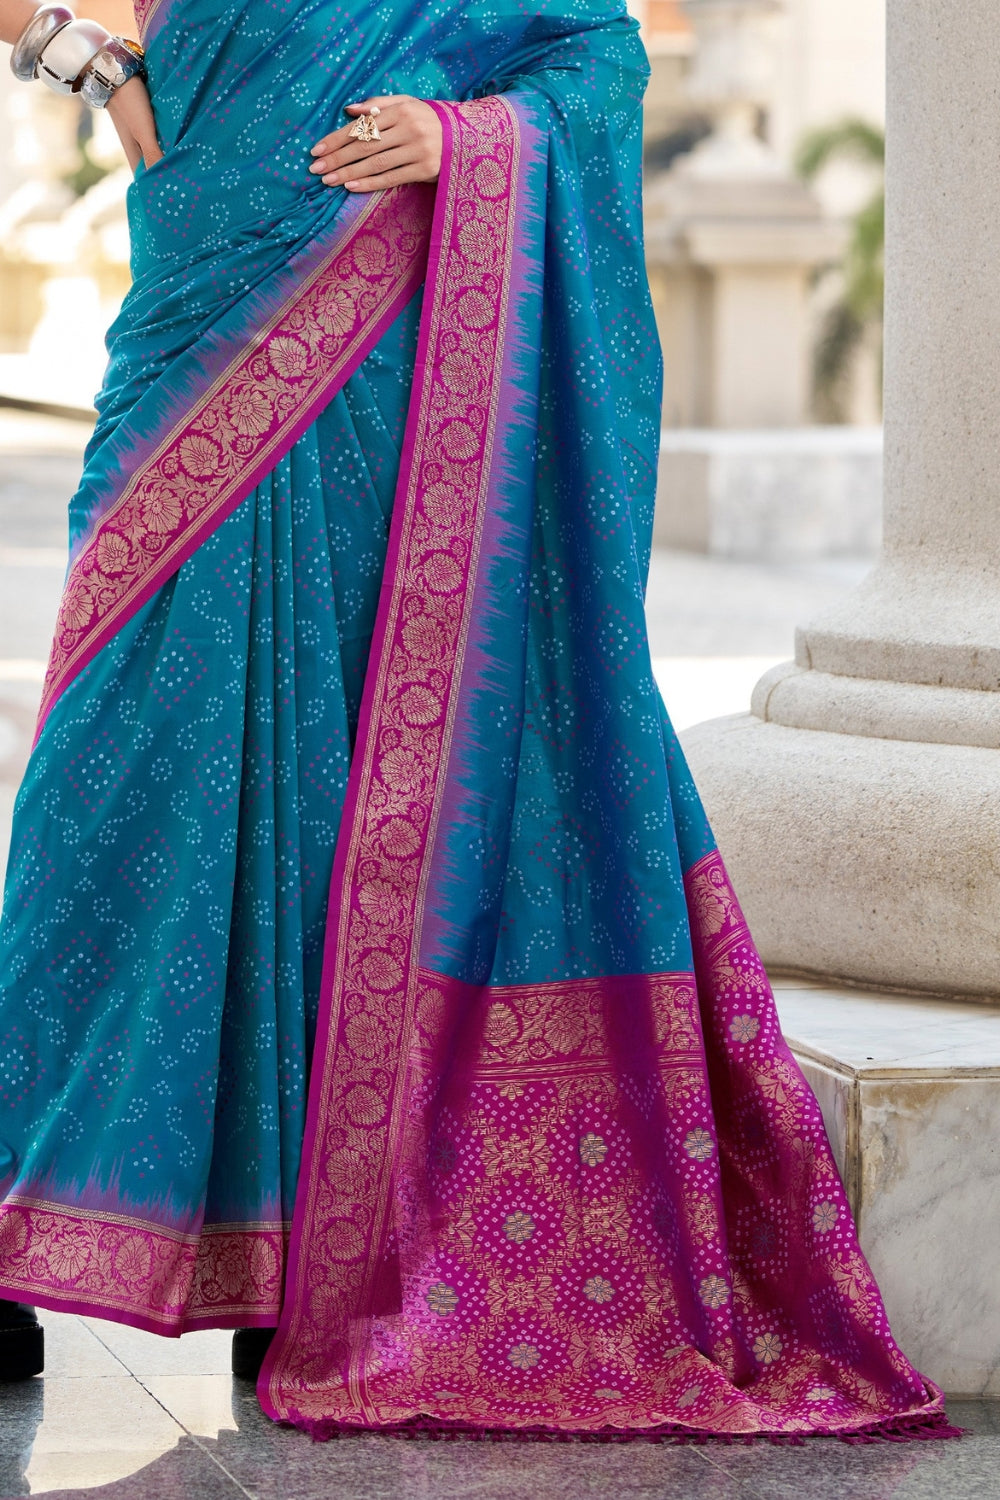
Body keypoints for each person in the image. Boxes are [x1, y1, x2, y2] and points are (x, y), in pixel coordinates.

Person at [0, 0, 955, 1442]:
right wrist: (99, 75)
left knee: (327, 803)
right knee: (107, 774)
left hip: (391, 345)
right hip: (201, 285)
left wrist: (463, 137)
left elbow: (594, 55)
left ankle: (302, 1259)